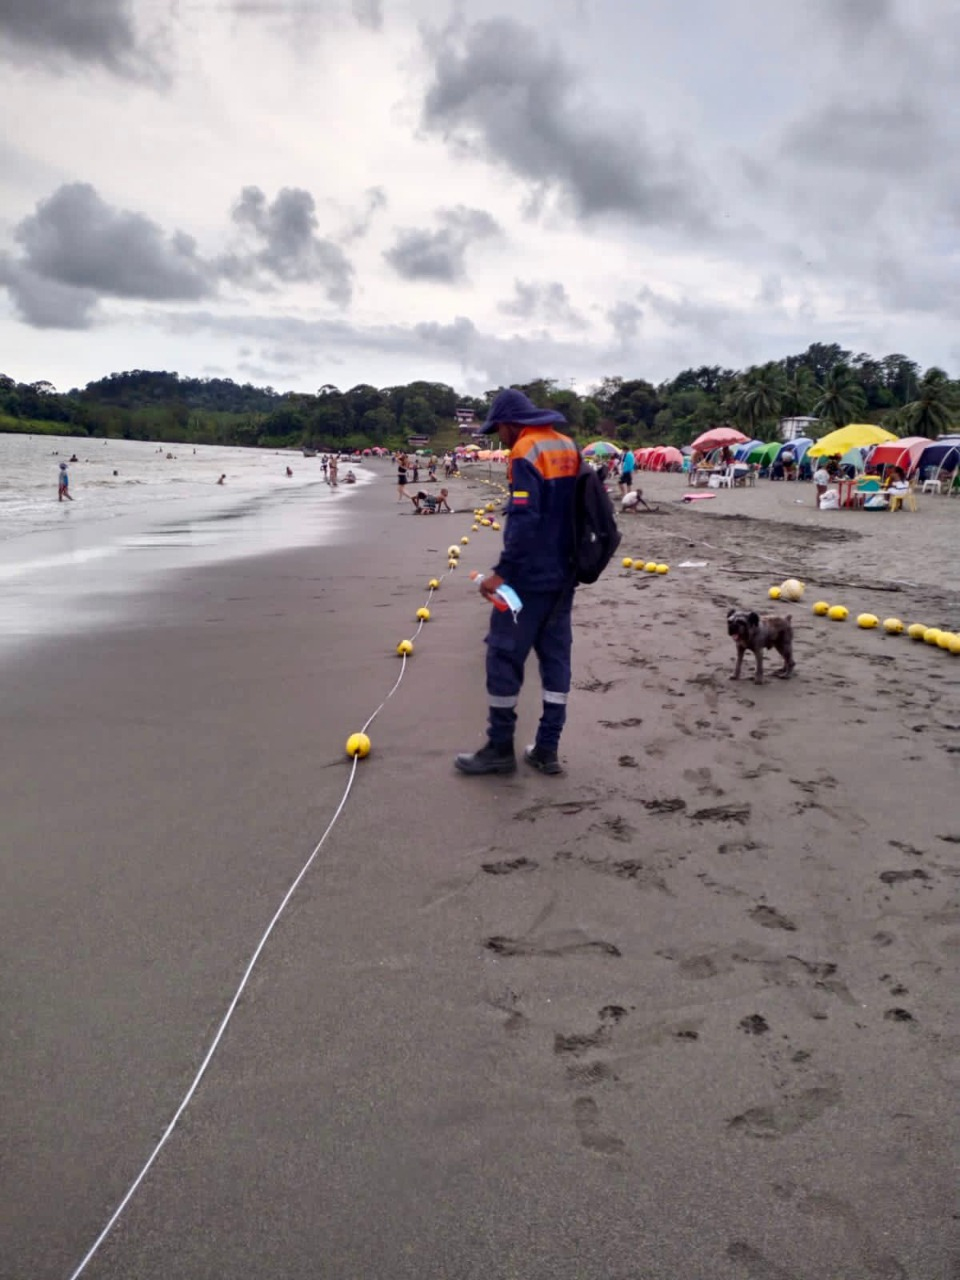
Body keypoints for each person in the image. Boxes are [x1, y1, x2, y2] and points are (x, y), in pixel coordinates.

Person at [455, 389, 579, 778]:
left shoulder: (525, 451)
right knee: (556, 660)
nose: (501, 437)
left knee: (503, 656)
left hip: (527, 579)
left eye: (499, 430)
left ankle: (500, 749)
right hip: (565, 575)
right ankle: (547, 748)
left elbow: (525, 520)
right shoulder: (567, 445)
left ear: (509, 424)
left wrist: (501, 573)